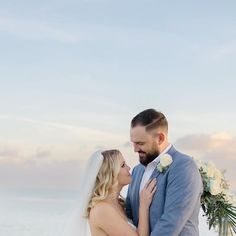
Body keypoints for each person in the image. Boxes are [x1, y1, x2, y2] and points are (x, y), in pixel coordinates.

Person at [126, 109, 203, 236]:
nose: (135, 149)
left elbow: (170, 223)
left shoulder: (184, 166)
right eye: (133, 143)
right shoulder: (137, 170)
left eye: (140, 143)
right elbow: (129, 216)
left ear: (160, 138)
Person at [67, 149, 157, 236]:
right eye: (123, 165)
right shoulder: (102, 210)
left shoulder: (119, 204)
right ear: (110, 174)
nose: (129, 168)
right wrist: (144, 205)